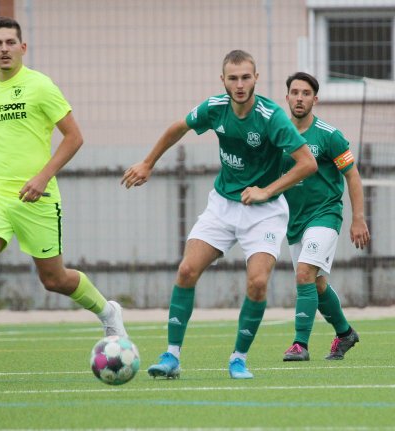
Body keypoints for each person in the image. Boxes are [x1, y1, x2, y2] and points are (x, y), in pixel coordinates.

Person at [0, 17, 127, 374]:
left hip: (37, 198)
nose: (5, 48)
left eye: (11, 42)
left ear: (23, 48)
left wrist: (43, 177)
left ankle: (107, 311)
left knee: (54, 280)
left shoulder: (40, 86)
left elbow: (74, 137)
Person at [121, 50, 317, 379]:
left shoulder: (271, 117)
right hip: (223, 205)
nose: (239, 84)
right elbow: (177, 128)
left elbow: (307, 163)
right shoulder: (215, 108)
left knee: (257, 284)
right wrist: (147, 163)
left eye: (245, 77)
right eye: (233, 78)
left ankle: (238, 358)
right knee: (186, 270)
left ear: (256, 78)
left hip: (265, 212)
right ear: (222, 80)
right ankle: (171, 357)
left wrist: (267, 191)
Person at [281, 72, 370, 361]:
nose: (299, 98)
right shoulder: (279, 135)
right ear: (287, 98)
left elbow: (352, 176)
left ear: (314, 99)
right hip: (294, 221)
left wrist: (358, 218)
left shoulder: (329, 136)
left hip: (325, 215)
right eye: (295, 92)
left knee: (304, 273)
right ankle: (345, 334)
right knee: (316, 284)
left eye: (306, 93)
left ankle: (299, 345)